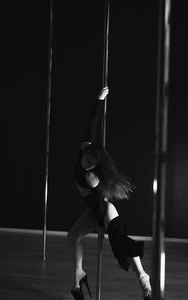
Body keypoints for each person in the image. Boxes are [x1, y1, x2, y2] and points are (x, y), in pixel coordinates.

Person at [67, 87, 152, 300]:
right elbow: (92, 124)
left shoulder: (91, 177)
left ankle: (143, 276)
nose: (85, 163)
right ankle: (79, 274)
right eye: (85, 159)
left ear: (96, 164)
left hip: (104, 209)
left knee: (119, 242)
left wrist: (104, 224)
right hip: (93, 207)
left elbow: (99, 205)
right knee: (73, 236)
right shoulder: (86, 146)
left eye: (90, 163)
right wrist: (99, 99)